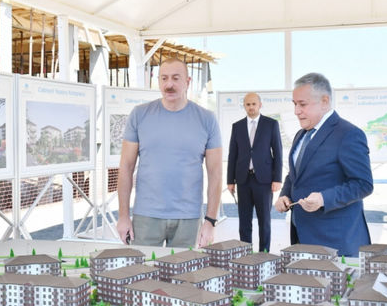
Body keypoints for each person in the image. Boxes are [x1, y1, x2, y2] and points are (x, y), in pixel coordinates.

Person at [117, 57, 223, 248]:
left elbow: (215, 173)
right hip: (146, 217)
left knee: (185, 268)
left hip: (188, 219)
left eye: (175, 78)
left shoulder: (207, 119)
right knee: (144, 267)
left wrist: (210, 221)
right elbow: (126, 167)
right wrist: (123, 216)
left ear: (187, 82)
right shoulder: (139, 115)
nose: (169, 85)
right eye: (164, 78)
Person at [274, 73, 373, 257]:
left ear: (325, 102)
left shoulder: (348, 134)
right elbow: (296, 175)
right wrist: (284, 195)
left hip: (335, 242)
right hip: (302, 237)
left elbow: (363, 184)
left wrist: (323, 199)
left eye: (302, 104)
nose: (296, 111)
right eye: (294, 104)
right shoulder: (301, 135)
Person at [227, 93, 283, 252]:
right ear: (244, 106)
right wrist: (230, 180)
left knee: (264, 220)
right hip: (243, 180)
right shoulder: (237, 126)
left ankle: (264, 254)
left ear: (260, 105)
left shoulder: (271, 124)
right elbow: (232, 155)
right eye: (248, 104)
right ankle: (245, 254)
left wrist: (277, 179)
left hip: (264, 180)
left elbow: (278, 153)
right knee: (244, 221)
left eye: (253, 104)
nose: (251, 107)